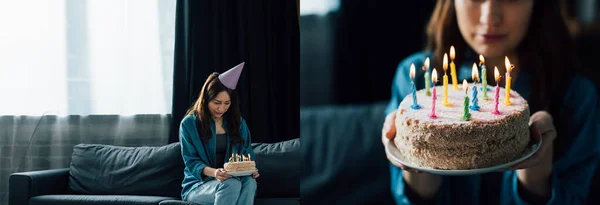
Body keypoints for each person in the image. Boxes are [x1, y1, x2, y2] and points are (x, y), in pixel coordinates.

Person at [381, 0, 599, 204]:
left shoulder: (576, 96)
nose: (490, 18)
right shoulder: (418, 79)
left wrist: (537, 177)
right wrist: (416, 153)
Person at [179, 62, 260, 205]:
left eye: (226, 103)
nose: (221, 108)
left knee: (250, 182)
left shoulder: (238, 123)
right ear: (206, 99)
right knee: (231, 184)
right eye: (217, 102)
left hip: (233, 180)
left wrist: (251, 170)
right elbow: (191, 162)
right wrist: (215, 173)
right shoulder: (189, 124)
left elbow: (247, 152)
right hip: (198, 185)